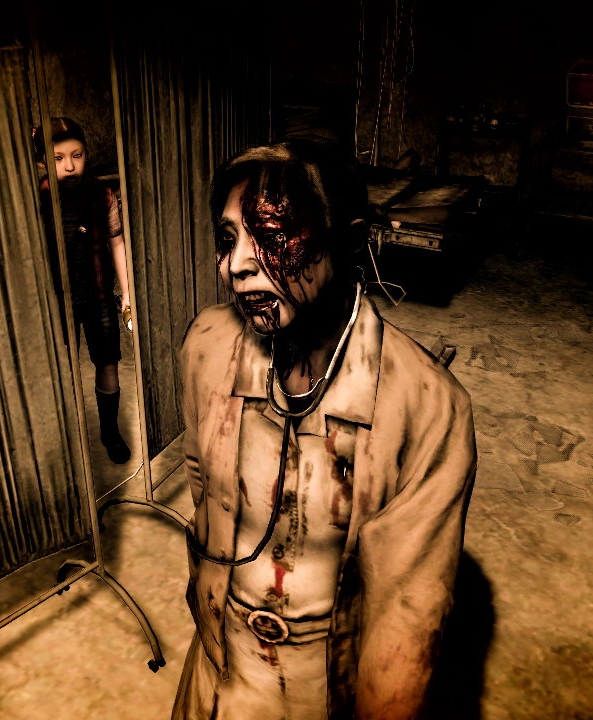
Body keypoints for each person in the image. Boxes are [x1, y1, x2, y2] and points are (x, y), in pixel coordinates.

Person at [172, 136, 478, 719]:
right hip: (215, 670)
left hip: (325, 692)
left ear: (351, 240)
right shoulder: (206, 347)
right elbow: (201, 484)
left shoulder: (427, 407)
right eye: (229, 239)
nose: (236, 264)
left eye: (271, 236)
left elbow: (409, 614)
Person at [34, 117, 132, 463]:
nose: (70, 166)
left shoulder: (102, 194)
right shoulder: (37, 199)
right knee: (61, 369)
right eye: (59, 158)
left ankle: (110, 432)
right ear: (43, 161)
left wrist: (127, 294)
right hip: (56, 299)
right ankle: (65, 441)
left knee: (108, 362)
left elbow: (117, 243)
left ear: (86, 154)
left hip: (99, 293)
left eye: (77, 156)